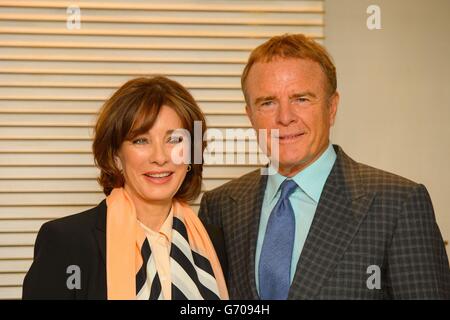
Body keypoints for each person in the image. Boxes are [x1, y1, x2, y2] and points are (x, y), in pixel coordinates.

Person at [198, 34, 450, 299]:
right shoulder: (220, 207)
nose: (285, 117)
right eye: (268, 102)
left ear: (332, 107)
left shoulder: (398, 204)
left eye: (302, 99)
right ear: (250, 115)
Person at [23, 76, 228, 300]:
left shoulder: (214, 241)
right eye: (141, 140)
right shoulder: (67, 243)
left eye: (174, 140)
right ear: (116, 156)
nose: (160, 157)